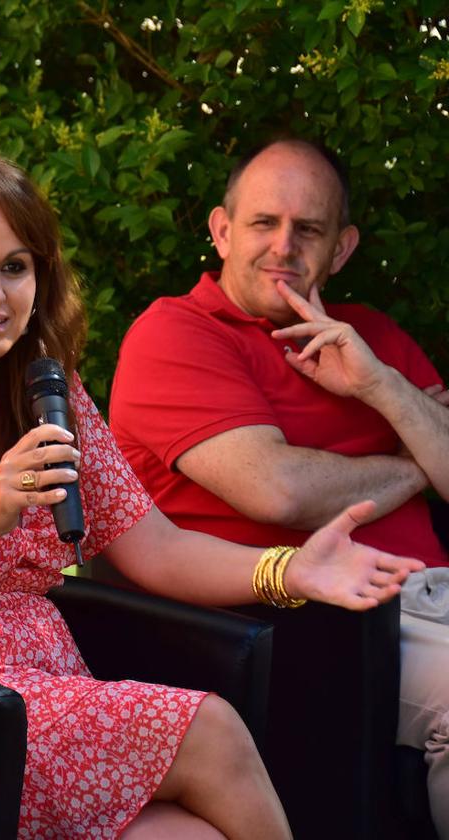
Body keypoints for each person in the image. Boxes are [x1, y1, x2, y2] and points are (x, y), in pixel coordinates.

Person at [0, 152, 424, 840]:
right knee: (210, 729)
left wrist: (286, 569)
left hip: (40, 695)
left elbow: (156, 549)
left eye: (15, 267)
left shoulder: (45, 393)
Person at [109, 136, 449, 836]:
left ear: (343, 248)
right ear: (222, 231)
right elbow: (278, 491)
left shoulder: (374, 337)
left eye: (310, 229)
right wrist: (416, 464)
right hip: (323, 623)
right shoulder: (175, 335)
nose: (283, 245)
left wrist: (381, 387)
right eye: (263, 223)